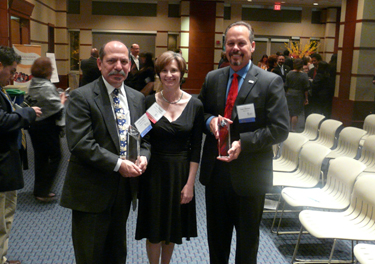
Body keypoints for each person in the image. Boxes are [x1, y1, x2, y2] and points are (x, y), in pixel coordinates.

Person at [198, 21, 289, 264]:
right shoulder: (213, 78)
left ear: (252, 45)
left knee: (247, 242)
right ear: (224, 47)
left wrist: (243, 143)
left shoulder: (269, 81)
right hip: (216, 173)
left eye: (241, 43)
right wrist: (210, 123)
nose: (235, 48)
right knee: (216, 240)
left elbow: (280, 129)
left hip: (250, 175)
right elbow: (201, 114)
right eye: (231, 43)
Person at [60, 40, 151, 264]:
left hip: (123, 191)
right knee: (90, 255)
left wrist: (144, 157)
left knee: (116, 254)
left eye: (123, 61)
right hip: (91, 191)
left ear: (130, 65)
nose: (118, 66)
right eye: (111, 61)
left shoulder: (137, 98)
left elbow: (144, 138)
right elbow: (81, 143)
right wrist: (120, 164)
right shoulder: (82, 97)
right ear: (100, 64)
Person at [135, 51, 204, 264]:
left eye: (173, 70)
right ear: (159, 73)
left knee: (172, 227)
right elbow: (141, 138)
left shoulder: (195, 105)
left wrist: (190, 183)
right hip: (153, 172)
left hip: (180, 173)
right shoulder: (149, 102)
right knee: (154, 228)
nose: (169, 75)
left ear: (181, 73)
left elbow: (196, 148)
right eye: (164, 70)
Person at [0, 46, 41, 264]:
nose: (14, 77)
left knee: (3, 221)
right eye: (12, 71)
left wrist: (21, 113)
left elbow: (8, 113)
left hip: (2, 167)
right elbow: (1, 121)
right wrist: (29, 113)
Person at [27, 57, 67, 202]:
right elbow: (56, 107)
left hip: (34, 124)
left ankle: (39, 190)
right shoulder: (47, 86)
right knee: (56, 156)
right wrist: (62, 100)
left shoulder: (32, 83)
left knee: (40, 158)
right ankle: (43, 191)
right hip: (47, 126)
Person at [285, 58, 310, 132]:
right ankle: (293, 128)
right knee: (295, 113)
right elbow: (306, 88)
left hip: (289, 93)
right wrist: (306, 98)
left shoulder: (289, 73)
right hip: (298, 94)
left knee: (289, 111)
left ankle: (288, 128)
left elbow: (286, 85)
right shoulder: (304, 75)